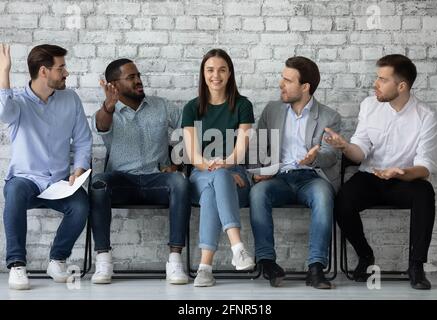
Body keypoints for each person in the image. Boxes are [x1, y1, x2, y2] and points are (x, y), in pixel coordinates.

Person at [325, 54, 437, 290]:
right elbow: (360, 152)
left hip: (404, 180)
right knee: (342, 200)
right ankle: (365, 255)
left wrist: (401, 172)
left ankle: (416, 266)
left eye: (382, 79)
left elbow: (425, 167)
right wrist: (345, 146)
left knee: (425, 193)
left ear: (401, 86)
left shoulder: (427, 117)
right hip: (370, 176)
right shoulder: (369, 105)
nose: (375, 84)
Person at [89, 59, 191, 285]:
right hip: (122, 181)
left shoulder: (161, 105)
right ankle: (103, 259)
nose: (138, 81)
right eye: (131, 77)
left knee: (180, 182)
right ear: (114, 84)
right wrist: (108, 105)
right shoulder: (109, 111)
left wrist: (178, 162)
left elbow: (191, 129)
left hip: (157, 180)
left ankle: (174, 261)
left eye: (138, 76)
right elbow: (101, 125)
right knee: (98, 182)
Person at [0, 44, 92, 290]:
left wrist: (79, 169)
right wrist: (4, 73)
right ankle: (17, 265)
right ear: (44, 71)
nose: (66, 73)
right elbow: (4, 113)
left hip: (59, 182)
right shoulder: (17, 101)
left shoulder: (70, 99)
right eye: (61, 68)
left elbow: (83, 140)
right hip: (25, 180)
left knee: (81, 205)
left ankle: (57, 259)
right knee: (15, 192)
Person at [248, 56, 340, 289]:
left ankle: (316, 267)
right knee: (258, 193)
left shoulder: (329, 117)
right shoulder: (272, 110)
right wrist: (262, 171)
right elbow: (258, 148)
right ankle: (267, 262)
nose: (281, 84)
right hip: (278, 177)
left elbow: (331, 155)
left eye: (288, 80)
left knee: (323, 195)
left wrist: (314, 157)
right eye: (282, 77)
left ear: (305, 87)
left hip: (311, 177)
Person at [182, 49, 255, 287]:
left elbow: (240, 150)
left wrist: (225, 164)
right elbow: (193, 156)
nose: (216, 75)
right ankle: (238, 247)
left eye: (222, 69)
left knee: (216, 185)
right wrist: (213, 166)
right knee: (217, 179)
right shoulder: (191, 108)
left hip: (236, 177)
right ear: (203, 74)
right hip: (201, 174)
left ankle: (205, 268)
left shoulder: (243, 105)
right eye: (210, 70)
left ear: (230, 73)